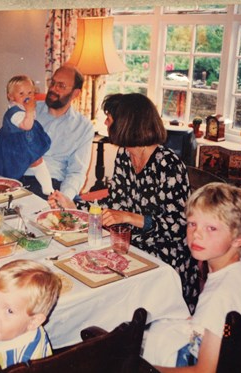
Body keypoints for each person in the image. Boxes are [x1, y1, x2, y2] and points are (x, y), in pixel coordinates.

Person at [49, 93, 200, 311]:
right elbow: (116, 204)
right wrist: (74, 205)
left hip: (166, 258)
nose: (106, 122)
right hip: (132, 247)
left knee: (100, 290)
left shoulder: (168, 164)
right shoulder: (124, 155)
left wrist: (130, 217)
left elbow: (178, 226)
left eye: (109, 117)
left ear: (127, 122)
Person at [141, 182, 241, 371]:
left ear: (240, 237)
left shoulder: (220, 296)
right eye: (193, 224)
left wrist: (144, 369)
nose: (196, 235)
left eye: (211, 228)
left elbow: (205, 371)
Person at [20, 65, 94, 200]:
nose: (53, 88)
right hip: (17, 176)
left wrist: (63, 198)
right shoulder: (30, 110)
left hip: (52, 186)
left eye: (61, 86)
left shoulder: (83, 127)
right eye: (53, 82)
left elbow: (77, 172)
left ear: (75, 93)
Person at [0, 75, 53, 195]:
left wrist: (30, 109)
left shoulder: (22, 106)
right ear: (11, 97)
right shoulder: (14, 112)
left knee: (36, 160)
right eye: (21, 94)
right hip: (14, 145)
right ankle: (47, 188)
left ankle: (47, 188)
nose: (27, 97)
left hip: (23, 141)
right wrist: (30, 110)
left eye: (30, 93)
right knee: (30, 162)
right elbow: (27, 126)